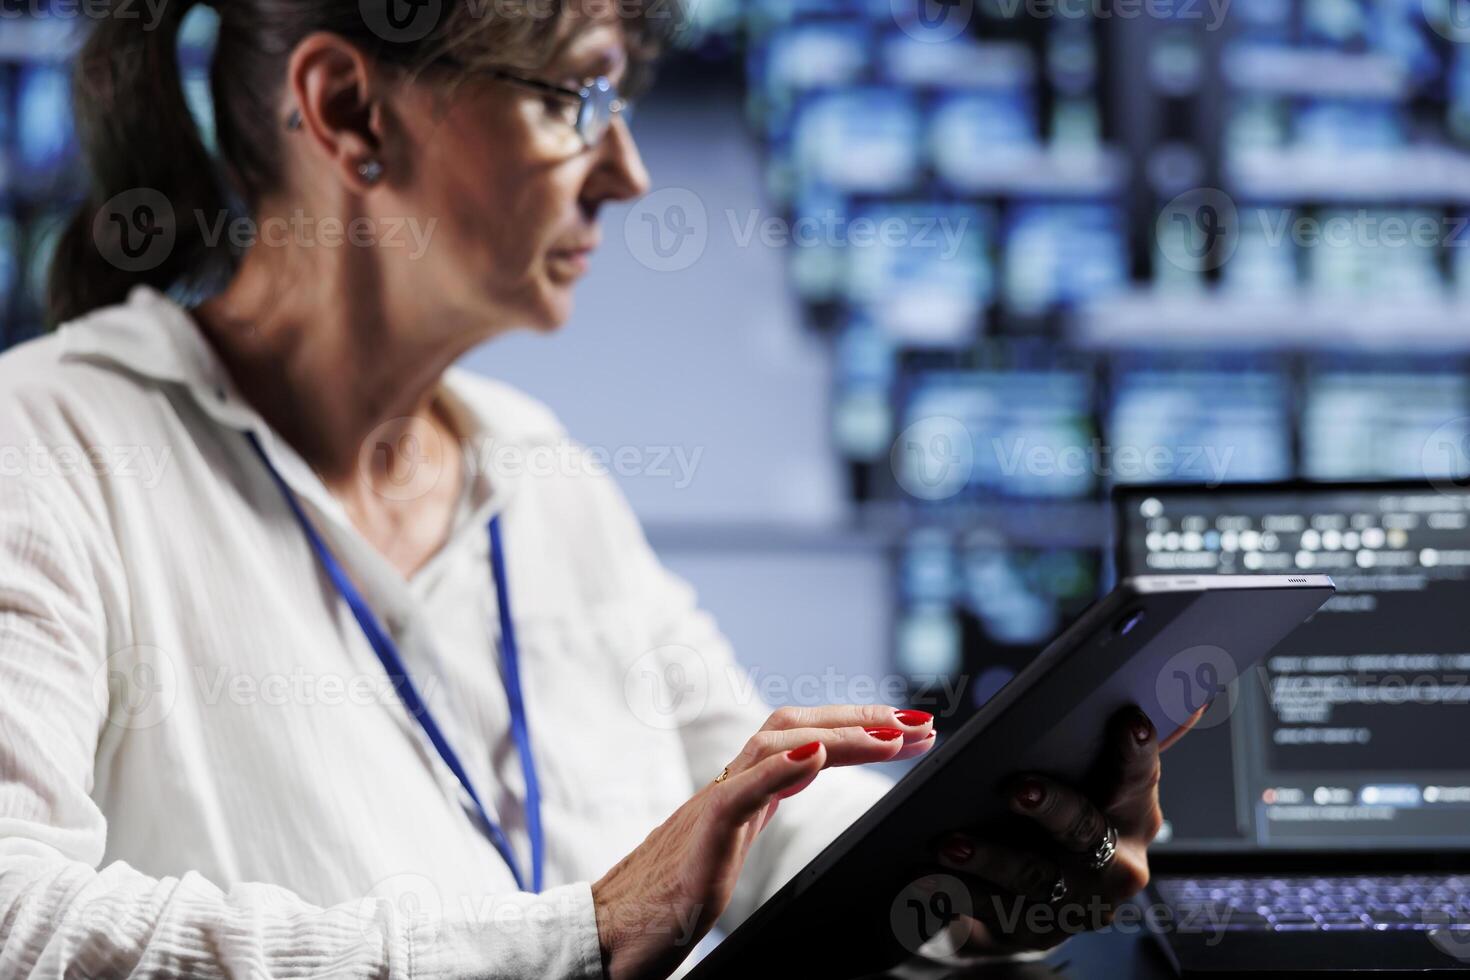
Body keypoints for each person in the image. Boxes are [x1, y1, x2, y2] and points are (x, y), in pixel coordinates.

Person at [0, 0, 1182, 976]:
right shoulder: (49, 444)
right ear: (349, 109)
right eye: (578, 97)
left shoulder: (536, 466)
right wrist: (576, 936)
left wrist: (971, 871)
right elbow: (18, 919)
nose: (626, 170)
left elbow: (757, 815)